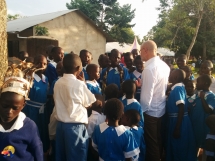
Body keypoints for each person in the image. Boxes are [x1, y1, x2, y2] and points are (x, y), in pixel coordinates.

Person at [49, 53, 96, 161]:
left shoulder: (58, 82)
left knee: (62, 156)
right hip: (75, 127)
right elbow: (90, 101)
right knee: (77, 157)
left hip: (60, 126)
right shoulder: (79, 84)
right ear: (79, 68)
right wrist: (83, 82)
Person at [0, 59, 43, 161]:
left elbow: (38, 151)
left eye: (15, 108)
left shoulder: (29, 126)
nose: (9, 111)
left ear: (23, 106)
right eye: (5, 106)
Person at [137, 40, 170, 161]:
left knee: (152, 144)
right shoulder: (164, 66)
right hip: (161, 108)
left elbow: (147, 96)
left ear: (145, 50)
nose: (140, 54)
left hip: (150, 112)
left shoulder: (149, 69)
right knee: (158, 140)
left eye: (141, 51)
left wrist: (141, 113)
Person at [166, 69, 196, 161]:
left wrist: (177, 127)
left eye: (171, 74)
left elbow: (181, 107)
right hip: (177, 120)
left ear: (175, 77)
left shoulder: (178, 88)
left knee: (179, 146)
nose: (169, 76)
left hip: (178, 121)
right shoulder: (177, 88)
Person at [22, 54, 49, 152]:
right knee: (32, 130)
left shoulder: (45, 79)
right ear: (33, 64)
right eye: (38, 63)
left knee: (42, 131)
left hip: (42, 110)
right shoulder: (29, 77)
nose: (41, 66)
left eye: (44, 64)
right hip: (31, 110)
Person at [189, 75, 215, 154]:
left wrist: (202, 98)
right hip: (196, 126)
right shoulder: (197, 95)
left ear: (205, 83)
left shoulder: (211, 96)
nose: (196, 84)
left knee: (205, 147)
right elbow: (191, 104)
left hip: (204, 128)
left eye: (198, 82)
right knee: (195, 146)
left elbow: (208, 110)